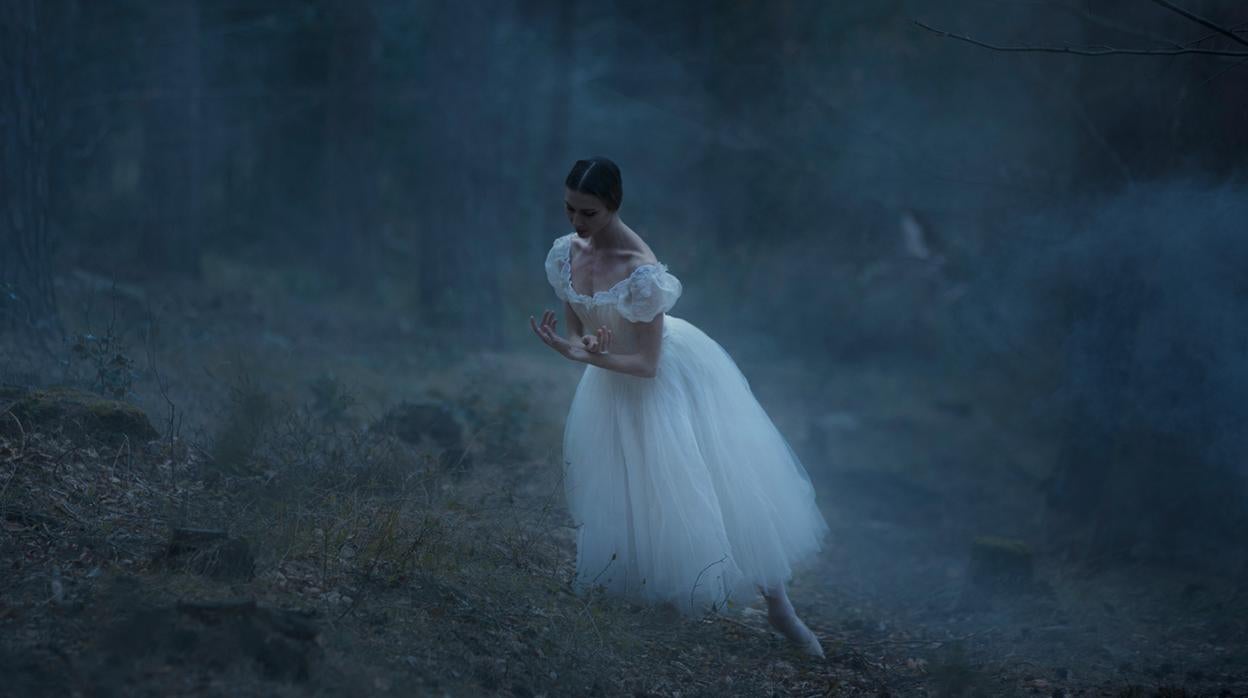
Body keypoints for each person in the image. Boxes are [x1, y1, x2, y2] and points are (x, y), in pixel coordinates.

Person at [529, 156, 830, 657]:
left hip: (670, 379)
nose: (577, 224)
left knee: (720, 483)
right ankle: (657, 606)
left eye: (589, 213)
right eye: (570, 210)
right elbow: (581, 331)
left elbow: (647, 364)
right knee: (632, 488)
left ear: (614, 206)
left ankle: (781, 608)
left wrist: (595, 356)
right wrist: (574, 349)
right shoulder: (566, 254)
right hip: (611, 381)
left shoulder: (641, 270)